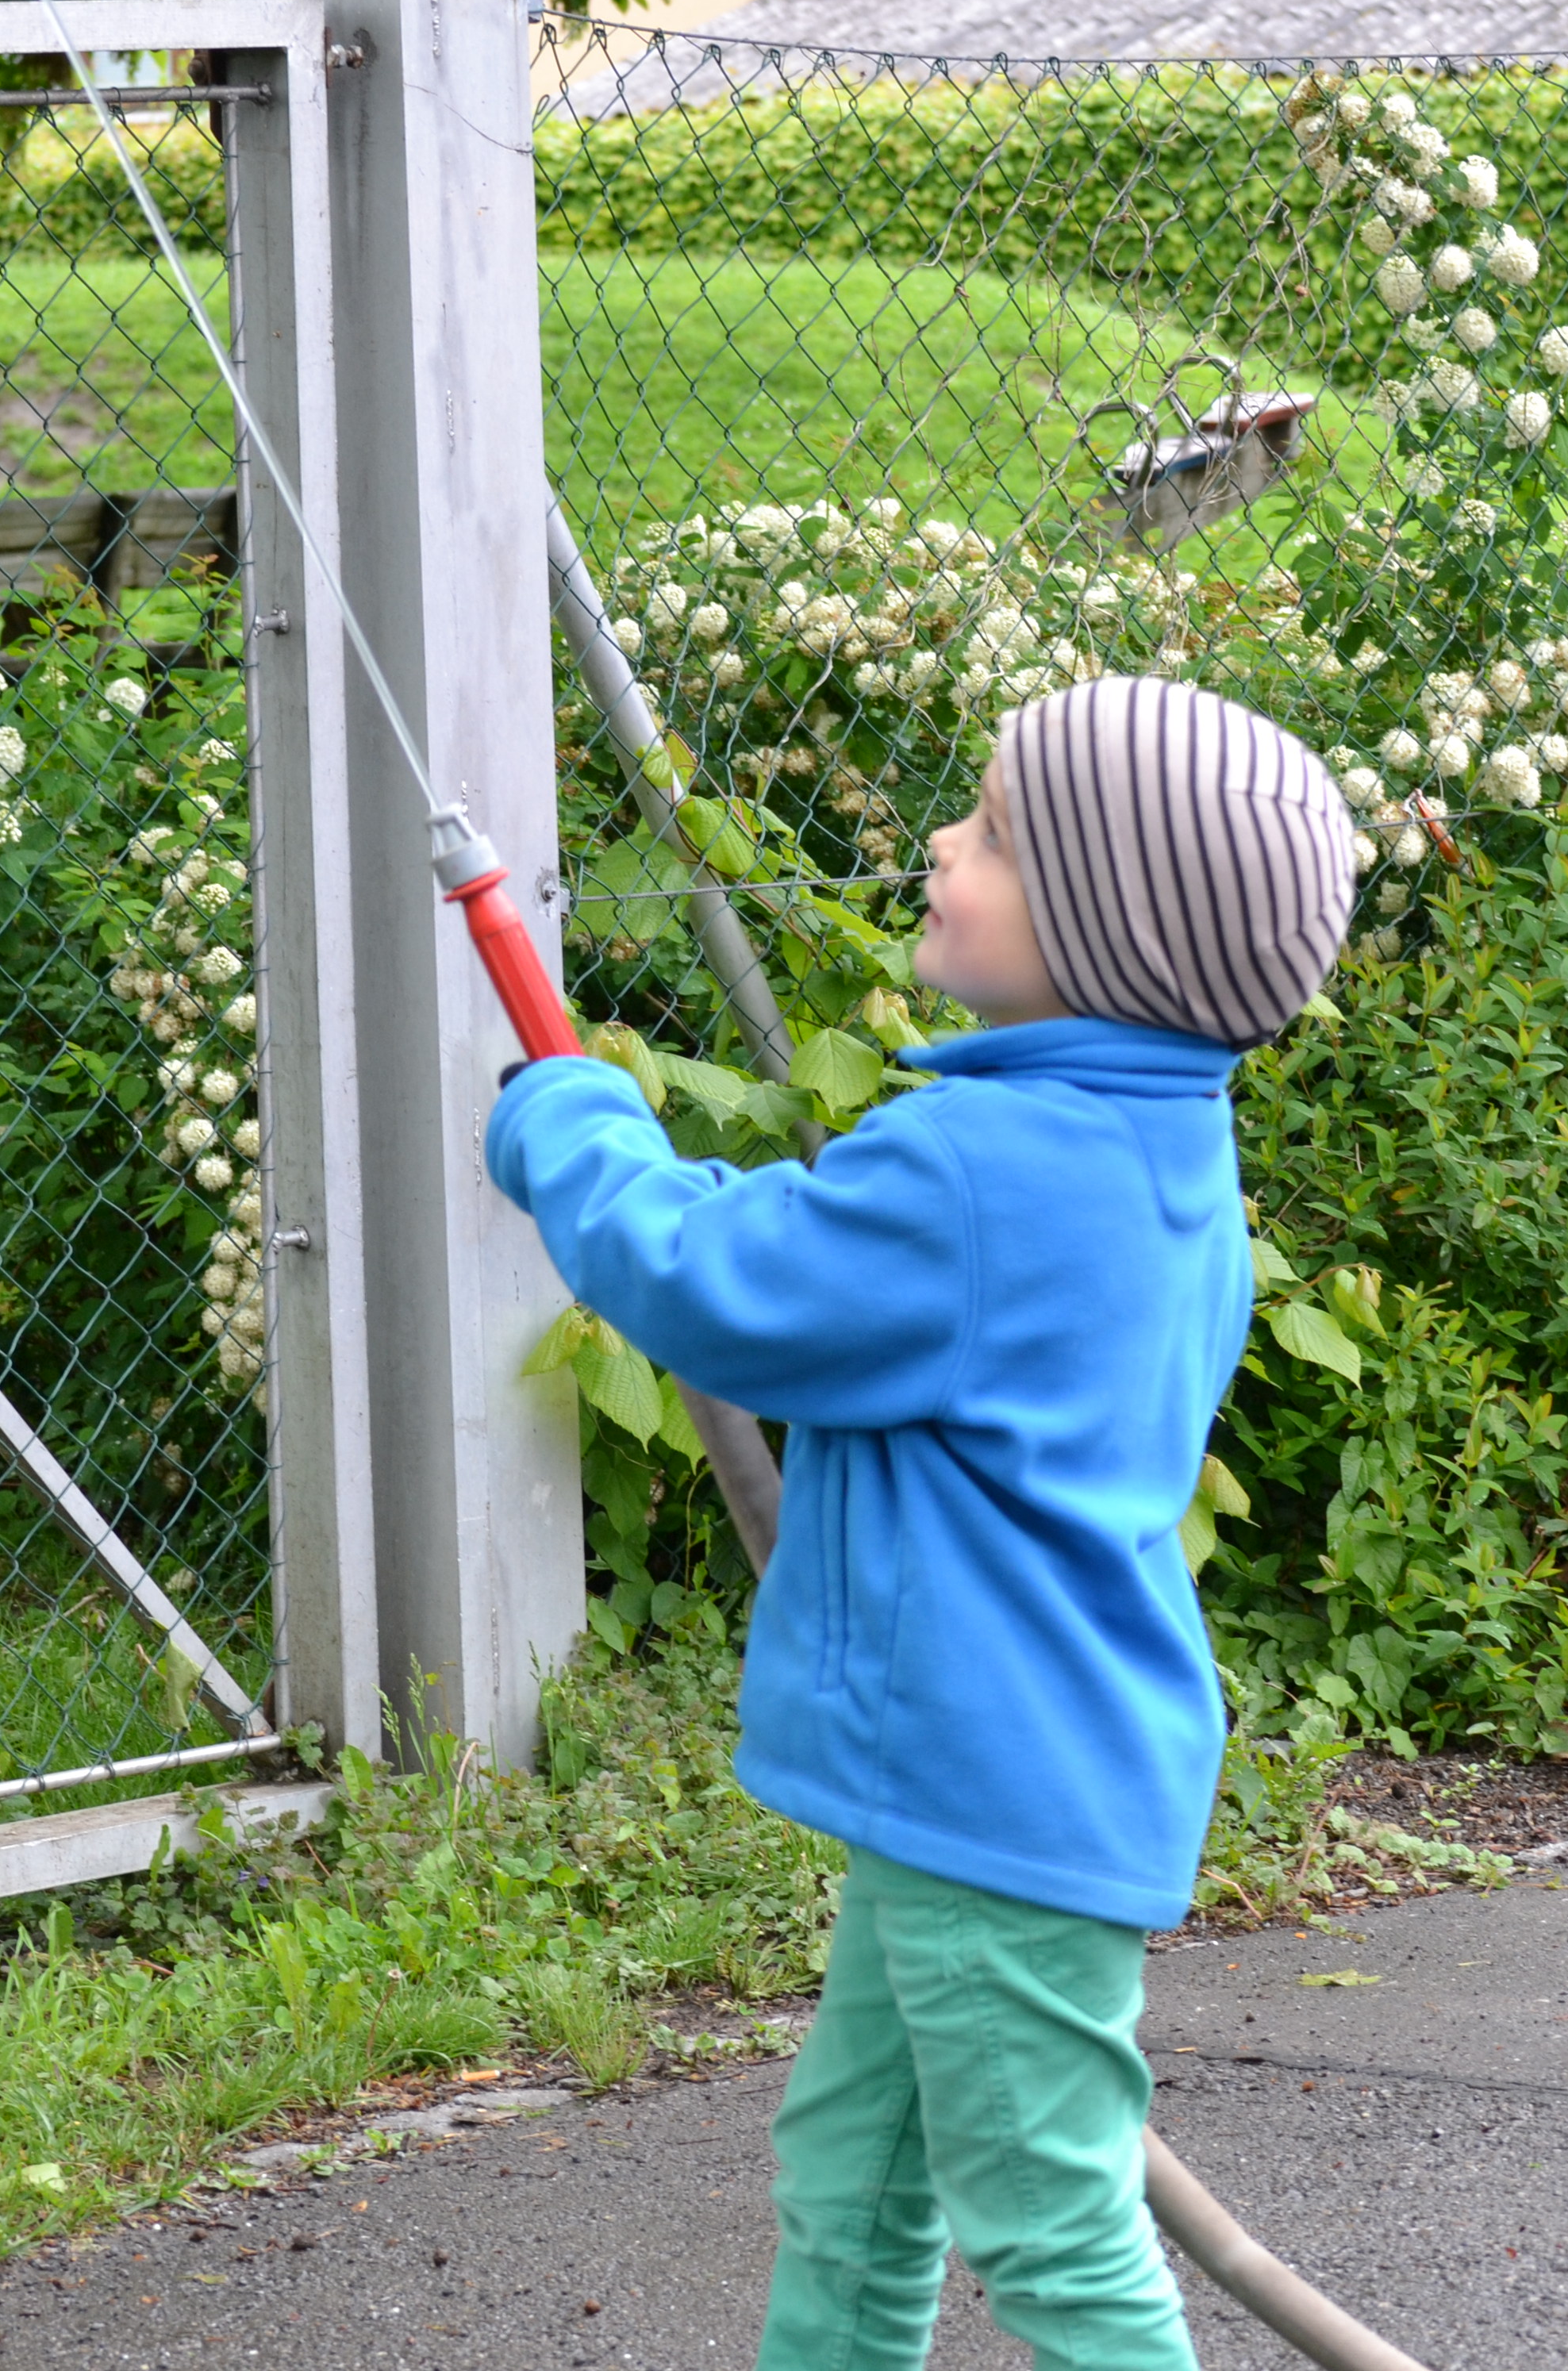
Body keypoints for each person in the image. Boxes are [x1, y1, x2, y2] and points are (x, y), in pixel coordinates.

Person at [484, 676, 1360, 2371]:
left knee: (1052, 2235)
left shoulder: (990, 1168)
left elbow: (717, 1285)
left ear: (1114, 932)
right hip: (1014, 1773)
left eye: (1000, 836)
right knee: (861, 2177)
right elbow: (816, 1273)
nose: (945, 844)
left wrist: (577, 1129)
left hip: (989, 1776)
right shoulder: (1153, 1144)